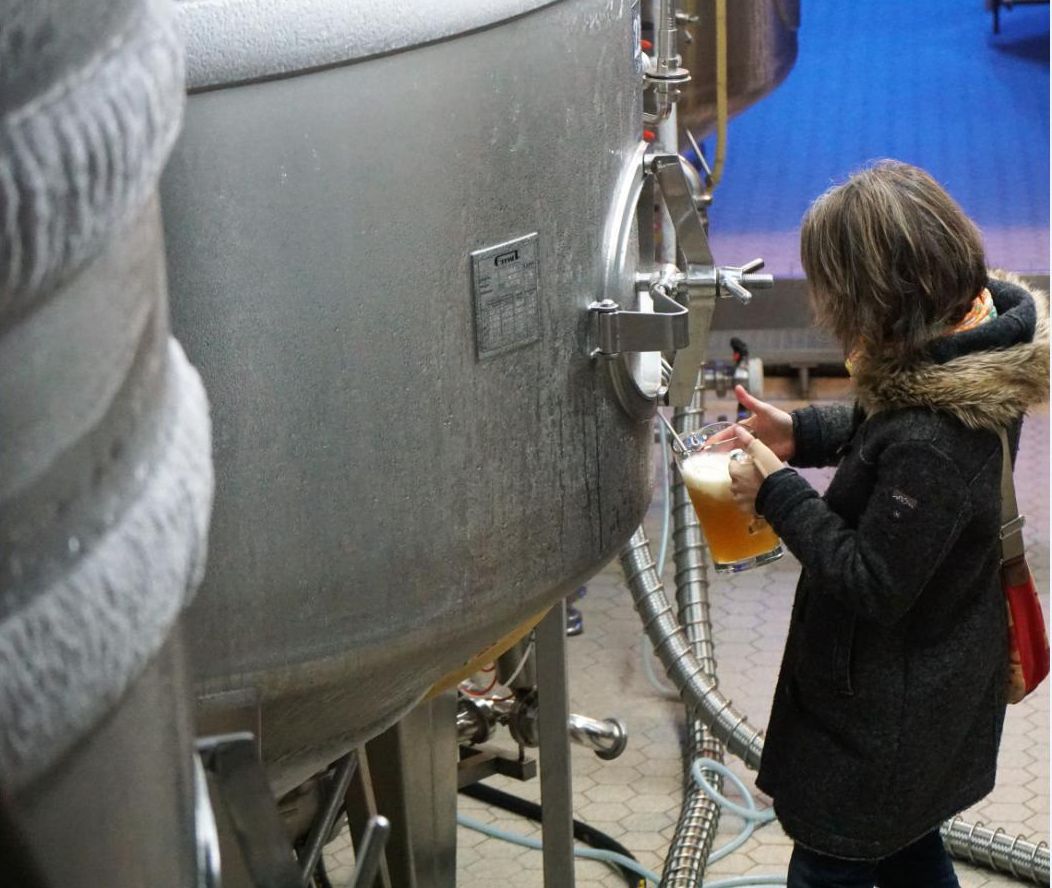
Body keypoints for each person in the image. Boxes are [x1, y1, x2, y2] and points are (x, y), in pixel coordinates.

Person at [725, 160, 1049, 887]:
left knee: (833, 860)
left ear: (876, 300)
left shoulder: (934, 439)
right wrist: (800, 433)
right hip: (932, 684)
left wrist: (777, 492)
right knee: (906, 846)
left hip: (885, 718)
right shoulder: (973, 344)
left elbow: (872, 580)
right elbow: (890, 428)